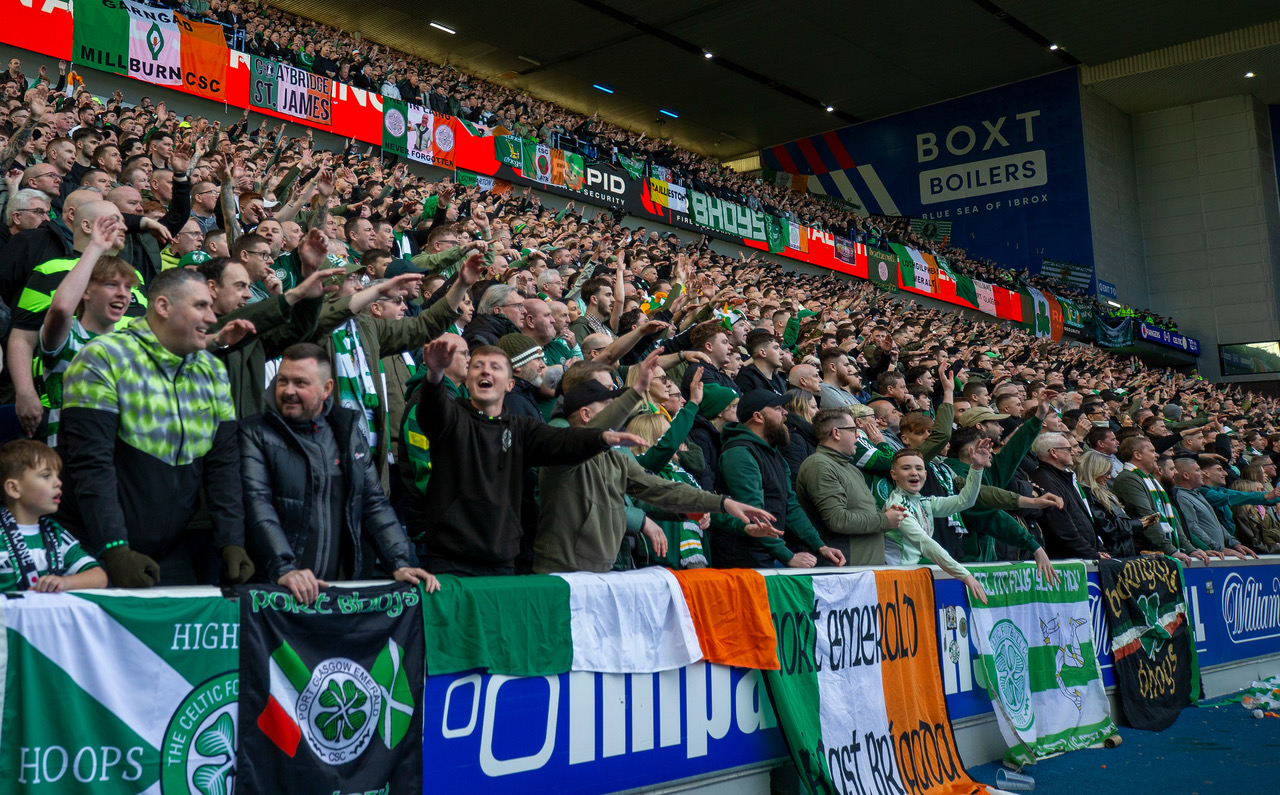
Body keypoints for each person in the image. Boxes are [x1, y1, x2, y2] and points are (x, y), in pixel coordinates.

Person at [57, 268, 255, 587]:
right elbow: (92, 466)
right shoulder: (102, 358)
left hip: (171, 551)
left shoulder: (213, 371)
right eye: (200, 306)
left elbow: (223, 466)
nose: (210, 317)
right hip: (94, 548)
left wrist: (232, 540)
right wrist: (114, 549)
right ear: (163, 306)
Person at [412, 336, 650, 576]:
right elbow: (432, 410)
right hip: (449, 559)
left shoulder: (521, 428)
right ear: (469, 378)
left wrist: (600, 438)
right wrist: (435, 376)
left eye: (495, 367)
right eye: (477, 366)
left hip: (502, 559)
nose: (486, 371)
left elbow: (562, 441)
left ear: (509, 384)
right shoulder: (451, 416)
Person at [534, 354, 776, 574]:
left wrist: (721, 503)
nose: (613, 400)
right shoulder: (556, 437)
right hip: (564, 573)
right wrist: (637, 390)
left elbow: (655, 488)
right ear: (583, 405)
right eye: (606, 393)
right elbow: (588, 457)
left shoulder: (614, 452)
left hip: (609, 569)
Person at [239, 343, 439, 603]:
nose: (288, 391)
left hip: (338, 594)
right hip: (276, 593)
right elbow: (257, 505)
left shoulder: (347, 431)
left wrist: (398, 563)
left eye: (300, 383)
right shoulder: (254, 433)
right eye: (283, 381)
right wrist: (284, 569)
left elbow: (373, 502)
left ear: (327, 389)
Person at [711, 390, 846, 569]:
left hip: (764, 554)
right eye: (777, 408)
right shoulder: (740, 453)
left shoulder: (774, 454)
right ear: (758, 416)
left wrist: (820, 546)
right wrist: (788, 556)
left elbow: (790, 505)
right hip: (741, 560)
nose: (785, 413)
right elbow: (753, 514)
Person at [796, 408, 907, 565]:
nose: (858, 435)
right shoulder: (819, 465)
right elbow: (837, 519)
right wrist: (884, 520)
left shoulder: (851, 468)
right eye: (853, 430)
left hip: (866, 572)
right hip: (844, 573)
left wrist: (887, 515)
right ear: (836, 433)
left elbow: (865, 513)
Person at [884, 444, 992, 603]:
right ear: (894, 474)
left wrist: (976, 468)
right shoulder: (897, 506)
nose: (914, 473)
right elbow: (926, 544)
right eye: (906, 468)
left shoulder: (923, 501)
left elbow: (964, 501)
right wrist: (965, 575)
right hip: (897, 582)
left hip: (914, 578)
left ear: (926, 474)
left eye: (919, 468)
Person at [0, 440, 107, 593]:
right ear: (14, 488)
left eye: (57, 475)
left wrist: (64, 582)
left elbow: (99, 577)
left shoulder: (57, 534)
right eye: (46, 476)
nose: (58, 483)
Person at [1111, 437, 1209, 566]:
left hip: (1160, 552)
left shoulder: (1151, 480)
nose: (1156, 455)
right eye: (1152, 451)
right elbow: (1147, 517)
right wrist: (1170, 550)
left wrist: (1190, 549)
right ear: (1137, 455)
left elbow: (1171, 520)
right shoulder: (1128, 479)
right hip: (1145, 556)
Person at [1031, 432, 1108, 560]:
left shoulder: (1064, 478)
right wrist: (1091, 554)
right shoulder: (1045, 480)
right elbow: (1061, 526)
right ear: (1053, 452)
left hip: (1084, 555)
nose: (1073, 453)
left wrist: (1098, 549)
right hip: (1068, 560)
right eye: (1068, 449)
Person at [1170, 457, 1254, 560]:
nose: (1202, 473)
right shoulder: (1181, 497)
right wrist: (1218, 549)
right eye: (1197, 470)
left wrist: (1234, 543)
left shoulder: (1197, 493)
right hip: (1207, 557)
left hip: (1217, 554)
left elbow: (1216, 524)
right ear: (1186, 476)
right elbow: (1192, 528)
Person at [1076, 449, 1148, 557]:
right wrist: (1136, 524)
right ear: (1094, 471)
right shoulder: (1088, 495)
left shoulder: (1103, 493)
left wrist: (1139, 523)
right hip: (1111, 554)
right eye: (1106, 473)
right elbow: (1106, 528)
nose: (1109, 477)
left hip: (1121, 552)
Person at [735, 329, 787, 395]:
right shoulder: (746, 379)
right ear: (762, 352)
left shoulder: (779, 380)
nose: (782, 352)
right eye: (776, 347)